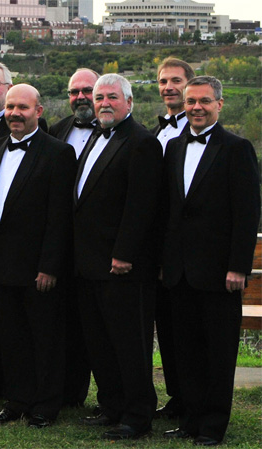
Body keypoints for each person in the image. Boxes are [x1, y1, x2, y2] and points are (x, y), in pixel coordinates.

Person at [160, 75, 260, 447]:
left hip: (220, 273)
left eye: (204, 101)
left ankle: (213, 425)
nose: (196, 108)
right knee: (185, 350)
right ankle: (190, 419)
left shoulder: (237, 148)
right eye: (191, 102)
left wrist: (238, 266)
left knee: (218, 353)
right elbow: (171, 212)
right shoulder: (174, 147)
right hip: (179, 271)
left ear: (219, 104)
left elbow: (247, 214)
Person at [0, 84, 75, 428]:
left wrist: (49, 266)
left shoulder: (59, 153)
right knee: (12, 339)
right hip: (1, 266)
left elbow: (59, 216)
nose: (14, 113)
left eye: (22, 107)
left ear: (39, 111)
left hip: (38, 268)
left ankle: (46, 406)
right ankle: (16, 401)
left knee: (45, 339)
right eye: (10, 107)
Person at [74, 74, 162, 440]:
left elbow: (141, 206)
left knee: (129, 343)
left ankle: (138, 414)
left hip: (121, 265)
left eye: (112, 97)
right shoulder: (96, 135)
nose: (104, 103)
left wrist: (124, 254)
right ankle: (111, 406)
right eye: (99, 97)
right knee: (99, 341)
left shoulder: (141, 142)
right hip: (88, 261)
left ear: (129, 101)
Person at [46, 67, 100, 409]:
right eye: (74, 91)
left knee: (96, 327)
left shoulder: (123, 134)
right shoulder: (56, 132)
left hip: (100, 249)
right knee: (62, 324)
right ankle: (67, 393)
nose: (80, 97)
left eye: (87, 90)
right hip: (60, 248)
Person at [152, 56, 194, 421]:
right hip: (153, 249)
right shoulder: (155, 133)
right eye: (164, 81)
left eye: (176, 80)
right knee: (164, 328)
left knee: (185, 330)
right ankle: (175, 396)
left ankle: (189, 398)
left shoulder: (198, 133)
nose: (169, 87)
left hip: (187, 251)